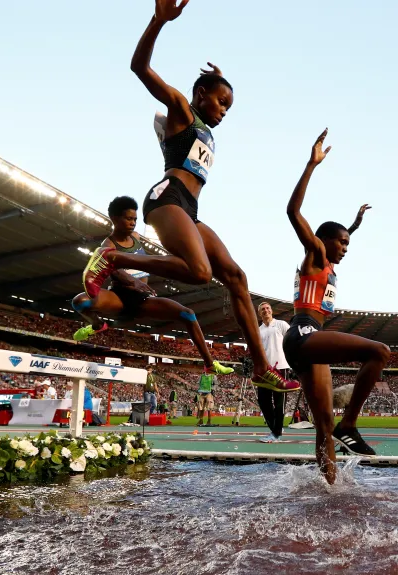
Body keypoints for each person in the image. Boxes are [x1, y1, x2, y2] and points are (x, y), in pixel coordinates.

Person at [103, 0, 298, 394]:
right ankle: (114, 258)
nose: (225, 111)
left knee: (237, 277)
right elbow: (139, 67)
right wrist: (158, 21)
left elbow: (210, 98)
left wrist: (220, 80)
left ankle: (262, 368)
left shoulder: (205, 125)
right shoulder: (181, 109)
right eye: (221, 102)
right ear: (200, 93)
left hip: (189, 208)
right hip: (167, 197)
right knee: (199, 272)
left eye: (229, 106)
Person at [281, 129, 389, 484]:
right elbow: (293, 211)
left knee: (323, 424)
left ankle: (329, 488)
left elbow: (341, 234)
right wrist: (311, 165)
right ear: (323, 241)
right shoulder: (314, 254)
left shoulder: (327, 262)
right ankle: (351, 424)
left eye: (348, 243)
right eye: (341, 243)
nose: (345, 248)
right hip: (303, 334)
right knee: (379, 352)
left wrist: (354, 224)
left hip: (312, 342)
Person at [71, 196, 235, 377]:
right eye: (128, 219)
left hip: (143, 300)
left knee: (187, 314)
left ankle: (209, 364)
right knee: (80, 302)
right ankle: (97, 325)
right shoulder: (108, 244)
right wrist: (133, 281)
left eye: (135, 219)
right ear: (115, 219)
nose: (133, 223)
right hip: (119, 298)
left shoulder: (136, 237)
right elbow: (114, 271)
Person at [256, 302, 290, 442]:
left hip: (281, 367)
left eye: (268, 308)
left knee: (279, 402)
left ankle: (276, 434)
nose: (266, 310)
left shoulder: (281, 324)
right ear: (260, 313)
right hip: (265, 370)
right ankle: (276, 428)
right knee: (263, 401)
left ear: (271, 310)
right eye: (263, 309)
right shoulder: (258, 330)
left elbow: (292, 340)